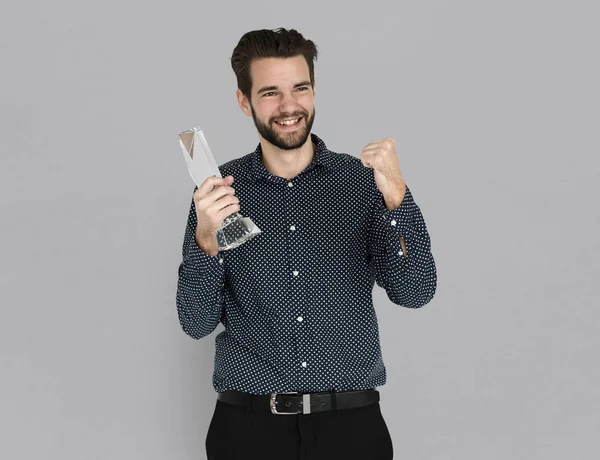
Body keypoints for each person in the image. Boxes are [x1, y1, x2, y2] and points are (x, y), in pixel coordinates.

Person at [176, 27, 437, 460]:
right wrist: (207, 239)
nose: (289, 106)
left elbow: (416, 292)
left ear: (314, 91)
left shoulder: (363, 184)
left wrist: (397, 197)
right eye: (270, 93)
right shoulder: (216, 193)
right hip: (248, 432)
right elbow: (196, 323)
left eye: (300, 88)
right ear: (244, 102)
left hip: (351, 430)